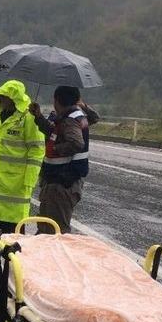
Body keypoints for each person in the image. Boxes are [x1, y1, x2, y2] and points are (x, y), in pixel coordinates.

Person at [29, 86, 94, 234]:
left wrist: (56, 149)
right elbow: (54, 132)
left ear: (57, 100)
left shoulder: (70, 120)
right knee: (46, 228)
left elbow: (76, 143)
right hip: (59, 182)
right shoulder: (74, 117)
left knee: (54, 232)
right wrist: (39, 117)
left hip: (62, 184)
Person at [0, 80, 45, 234]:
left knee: (15, 231)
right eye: (0, 96)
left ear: (13, 98)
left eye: (4, 96)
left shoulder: (28, 117)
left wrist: (29, 180)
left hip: (16, 183)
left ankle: (11, 257)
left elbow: (36, 150)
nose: (1, 99)